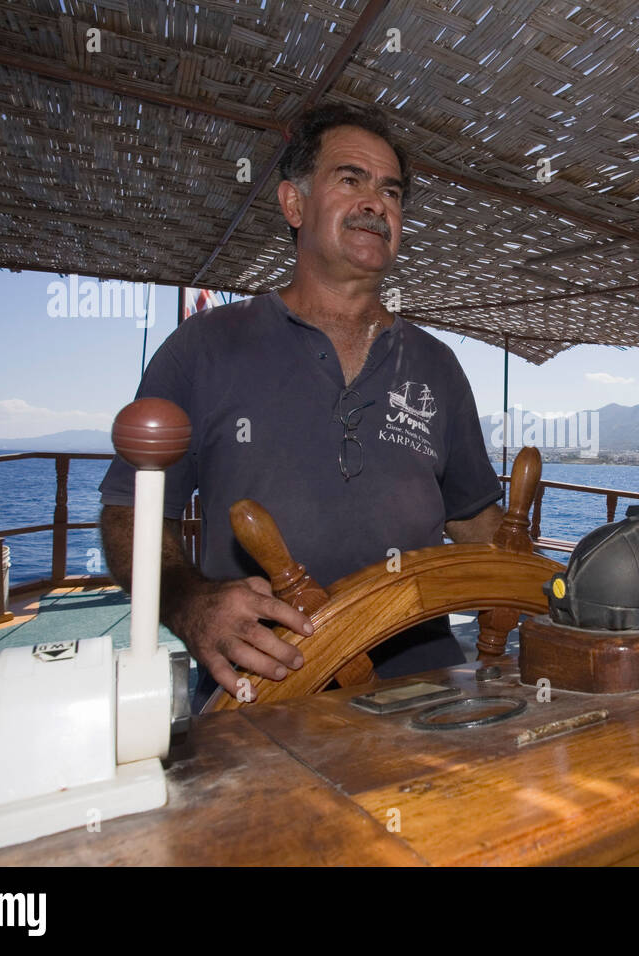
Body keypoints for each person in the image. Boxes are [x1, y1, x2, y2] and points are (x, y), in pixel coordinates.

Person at [98, 103, 504, 711]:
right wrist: (187, 603)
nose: (375, 203)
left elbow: (476, 522)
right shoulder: (203, 348)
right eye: (350, 180)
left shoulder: (437, 365)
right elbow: (129, 512)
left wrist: (559, 578)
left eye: (389, 191)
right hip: (264, 692)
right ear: (293, 205)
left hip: (428, 690)